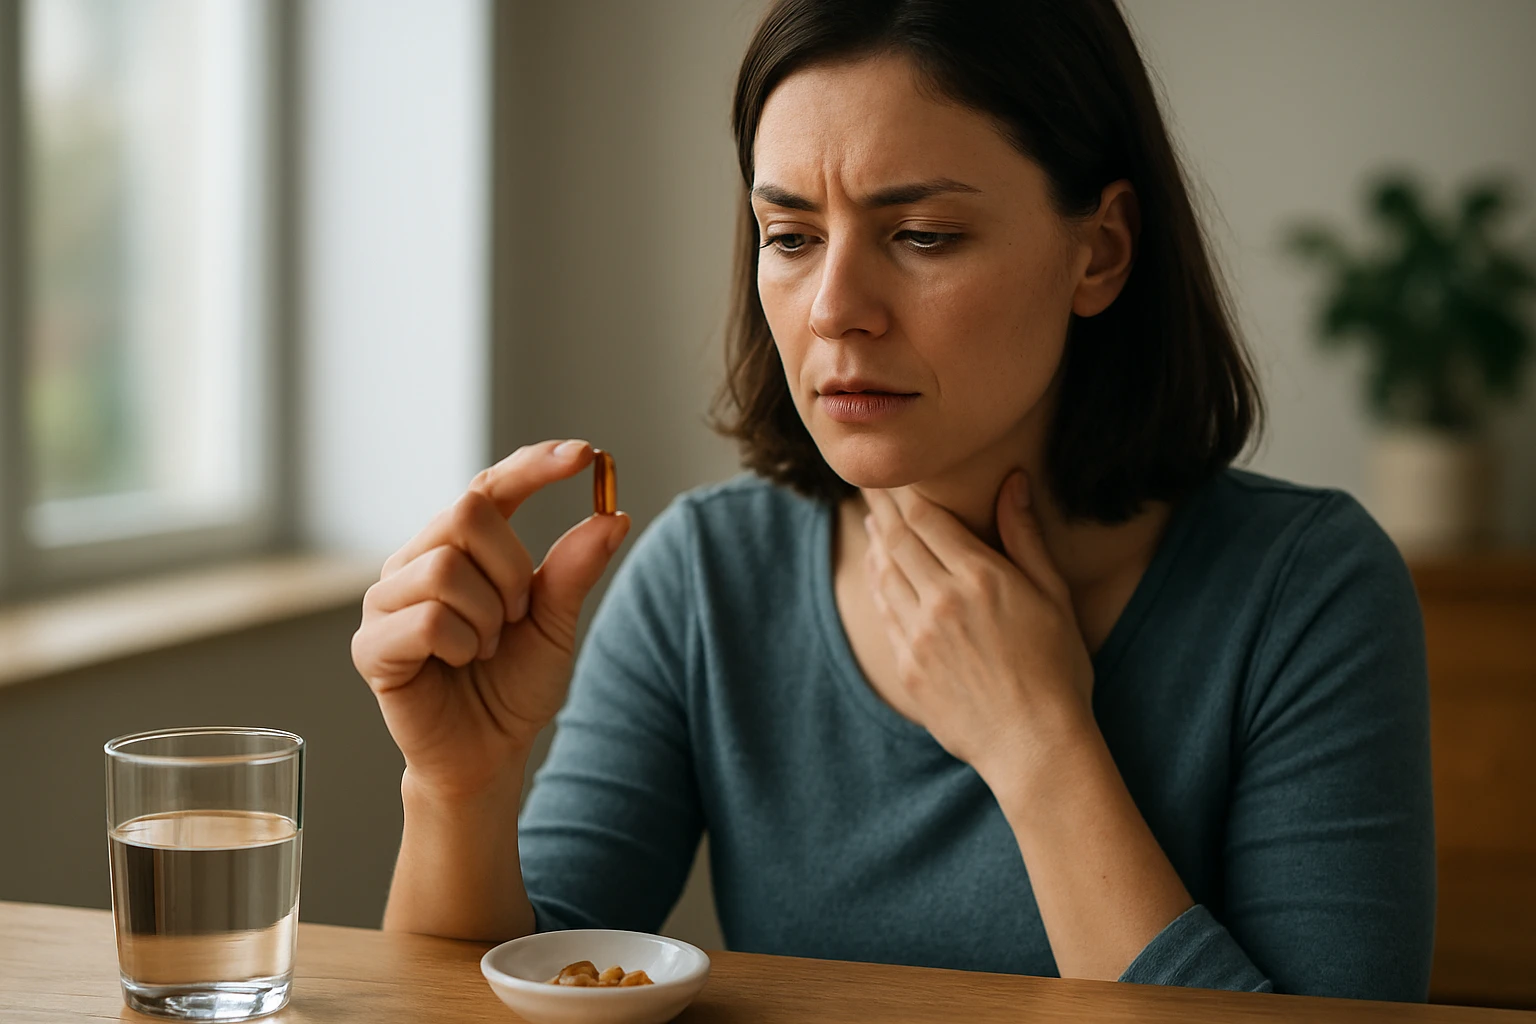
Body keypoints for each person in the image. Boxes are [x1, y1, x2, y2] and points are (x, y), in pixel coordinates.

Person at [350, 0, 1435, 1000]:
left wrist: (1038, 741)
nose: (834, 310)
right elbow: (518, 991)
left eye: (921, 235)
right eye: (790, 236)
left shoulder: (1307, 590)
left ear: (1099, 250)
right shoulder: (706, 577)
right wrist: (463, 787)